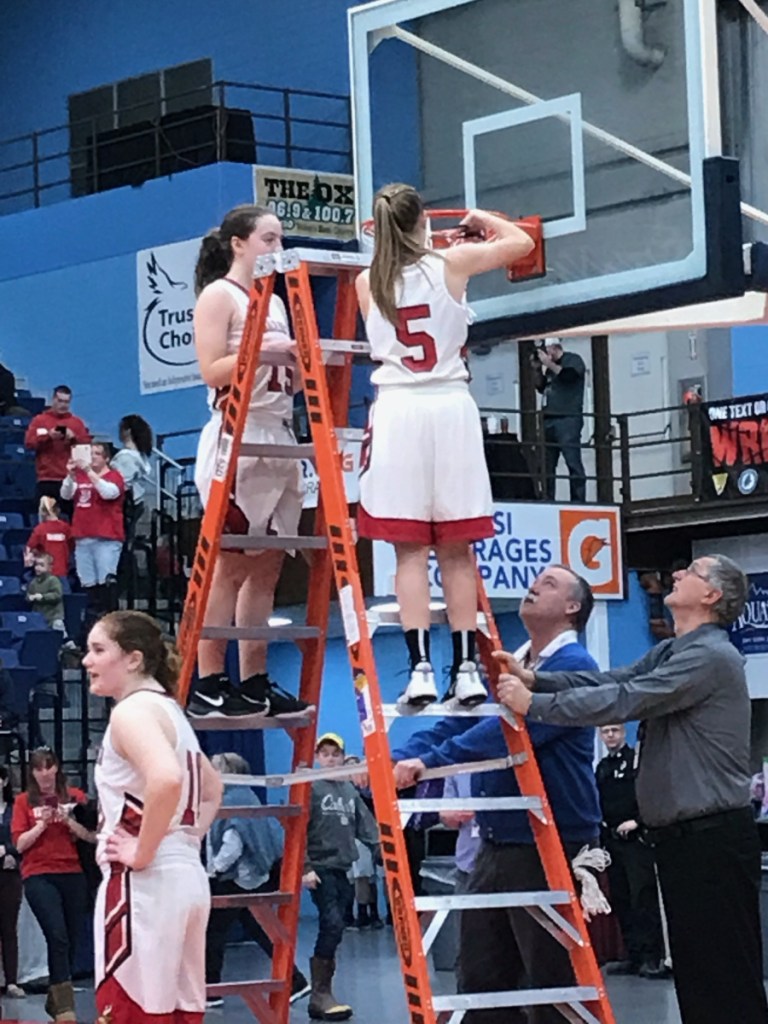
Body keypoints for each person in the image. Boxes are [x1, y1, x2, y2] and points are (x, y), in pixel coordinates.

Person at [496, 553, 767, 1024]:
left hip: (712, 836)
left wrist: (535, 704)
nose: (677, 573)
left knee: (725, 971)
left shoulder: (710, 655)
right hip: (683, 840)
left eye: (691, 572)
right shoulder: (672, 650)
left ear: (711, 595)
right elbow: (614, 678)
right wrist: (536, 677)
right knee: (699, 972)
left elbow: (627, 699)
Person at [392, 564, 601, 1024]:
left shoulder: (575, 667)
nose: (533, 587)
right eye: (536, 579)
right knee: (482, 977)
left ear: (572, 608)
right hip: (498, 839)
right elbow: (461, 721)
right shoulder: (513, 661)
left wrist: (429, 763)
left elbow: (509, 732)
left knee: (553, 977)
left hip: (551, 839)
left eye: (548, 584)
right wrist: (399, 758)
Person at [355, 184, 535, 709]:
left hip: (397, 410)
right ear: (423, 223)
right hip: (449, 404)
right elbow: (520, 243)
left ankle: (419, 670)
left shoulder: (368, 282)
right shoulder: (450, 264)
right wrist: (480, 217)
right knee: (457, 551)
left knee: (408, 552)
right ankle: (466, 672)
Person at [188, 203, 308, 721]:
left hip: (279, 432)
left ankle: (254, 679)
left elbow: (288, 379)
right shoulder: (220, 294)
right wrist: (262, 349)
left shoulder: (276, 301)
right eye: (268, 239)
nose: (276, 249)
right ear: (239, 243)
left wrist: (301, 363)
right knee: (230, 566)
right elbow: (211, 371)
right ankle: (210, 680)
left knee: (268, 569)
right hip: (237, 434)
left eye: (280, 240)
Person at [83, 610, 223, 1023]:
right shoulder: (171, 711)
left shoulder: (131, 712)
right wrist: (182, 841)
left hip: (144, 885)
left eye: (98, 649)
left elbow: (165, 779)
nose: (87, 661)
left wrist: (143, 852)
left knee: (131, 1013)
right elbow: (213, 791)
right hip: (186, 878)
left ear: (133, 659)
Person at [204, 751, 310, 1009]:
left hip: (238, 878)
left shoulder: (233, 801)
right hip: (250, 876)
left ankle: (211, 991)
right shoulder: (243, 797)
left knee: (213, 933)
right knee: (259, 929)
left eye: (215, 768)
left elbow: (234, 842)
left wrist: (214, 870)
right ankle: (296, 980)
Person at [10, 746, 94, 1021]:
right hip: (39, 873)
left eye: (49, 766)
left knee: (70, 937)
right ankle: (65, 1006)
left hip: (72, 872)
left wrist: (68, 821)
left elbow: (92, 837)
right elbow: (20, 844)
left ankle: (55, 995)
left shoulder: (74, 797)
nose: (44, 773)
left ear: (57, 768)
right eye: (38, 768)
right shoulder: (23, 802)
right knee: (56, 934)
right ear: (32, 773)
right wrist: (42, 824)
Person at [303, 733, 379, 1021]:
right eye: (325, 754)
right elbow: (298, 830)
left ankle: (321, 993)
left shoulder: (349, 791)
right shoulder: (311, 788)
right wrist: (305, 867)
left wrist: (381, 849)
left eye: (336, 753)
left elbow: (366, 826)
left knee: (338, 927)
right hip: (320, 868)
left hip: (343, 868)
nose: (331, 758)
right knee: (332, 923)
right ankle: (320, 993)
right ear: (318, 758)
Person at [595, 723, 666, 979]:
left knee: (642, 897)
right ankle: (632, 955)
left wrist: (638, 821)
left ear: (624, 733)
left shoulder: (636, 762)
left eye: (614, 730)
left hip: (636, 839)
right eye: (605, 732)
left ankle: (652, 958)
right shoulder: (602, 767)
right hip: (612, 840)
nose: (610, 735)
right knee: (621, 898)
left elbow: (651, 795)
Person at [60, 441, 125, 619]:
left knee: (106, 582)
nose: (93, 457)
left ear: (106, 458)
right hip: (83, 535)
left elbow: (109, 493)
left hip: (106, 536)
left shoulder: (114, 476)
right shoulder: (80, 477)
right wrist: (70, 475)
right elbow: (65, 495)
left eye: (97, 453)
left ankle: (110, 619)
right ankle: (91, 621)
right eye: (91, 453)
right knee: (88, 583)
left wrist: (89, 472)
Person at [532, 341, 586, 502]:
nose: (544, 354)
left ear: (555, 348)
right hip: (548, 420)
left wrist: (548, 363)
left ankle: (578, 500)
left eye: (546, 350)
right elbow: (540, 386)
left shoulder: (573, 360)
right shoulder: (550, 368)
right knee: (547, 465)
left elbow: (569, 377)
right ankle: (548, 499)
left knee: (572, 462)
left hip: (567, 418)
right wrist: (536, 369)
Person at [24, 385, 90, 508]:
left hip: (70, 479)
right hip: (46, 479)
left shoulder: (77, 423)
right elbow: (29, 443)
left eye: (66, 402)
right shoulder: (40, 420)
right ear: (53, 399)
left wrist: (74, 438)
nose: (63, 405)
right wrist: (48, 436)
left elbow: (87, 448)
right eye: (60, 401)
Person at [0, 764, 24, 999]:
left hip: (9, 873)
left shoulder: (15, 809)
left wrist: (8, 852)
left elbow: (21, 837)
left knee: (9, 928)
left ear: (4, 781)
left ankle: (12, 981)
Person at [110, 415, 153, 541]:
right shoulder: (141, 456)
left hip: (124, 506)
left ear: (127, 431)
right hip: (136, 504)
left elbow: (122, 483)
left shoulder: (126, 457)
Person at [25, 497, 73, 579]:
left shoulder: (40, 529)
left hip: (48, 574)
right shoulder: (66, 528)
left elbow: (30, 549)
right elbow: (72, 546)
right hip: (59, 573)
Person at [26, 552, 66, 633]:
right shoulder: (33, 582)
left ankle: (67, 642)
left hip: (54, 617)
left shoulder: (53, 580)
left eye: (41, 565)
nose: (38, 568)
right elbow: (29, 594)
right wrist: (29, 597)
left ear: (50, 567)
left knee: (58, 627)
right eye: (36, 565)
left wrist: (42, 597)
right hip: (39, 617)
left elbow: (57, 595)